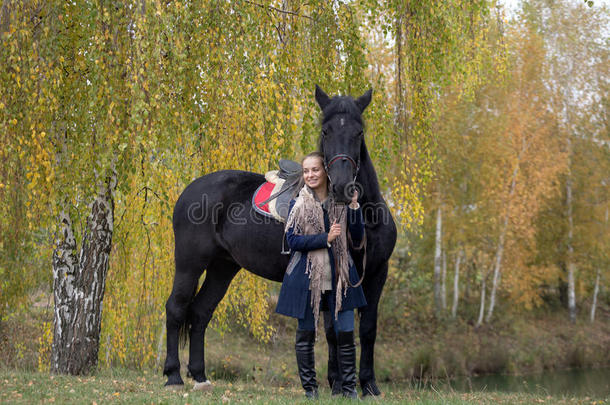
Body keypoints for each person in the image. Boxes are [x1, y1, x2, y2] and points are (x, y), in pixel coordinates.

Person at [275, 151, 367, 399]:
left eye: (315, 170)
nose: (310, 175)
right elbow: (292, 241)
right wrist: (324, 239)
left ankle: (349, 392)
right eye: (306, 171)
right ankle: (311, 392)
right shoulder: (298, 203)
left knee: (346, 335)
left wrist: (355, 206)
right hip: (306, 279)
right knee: (305, 337)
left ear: (326, 171)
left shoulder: (342, 202)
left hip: (341, 278)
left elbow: (357, 238)